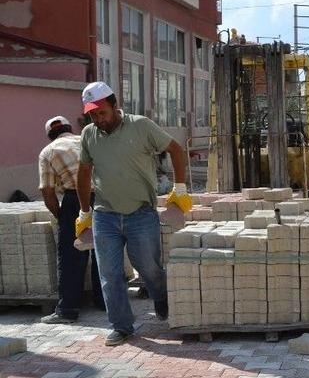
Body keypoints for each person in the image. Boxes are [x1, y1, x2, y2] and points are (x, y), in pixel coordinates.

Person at [75, 82, 193, 346]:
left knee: (149, 268)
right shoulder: (88, 135)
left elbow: (175, 149)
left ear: (114, 105)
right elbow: (83, 174)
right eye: (92, 115)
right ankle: (121, 326)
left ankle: (160, 296)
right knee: (110, 274)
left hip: (140, 213)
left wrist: (180, 187)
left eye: (101, 112)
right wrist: (84, 213)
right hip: (105, 215)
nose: (98, 119)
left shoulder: (141, 126)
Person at [38, 116, 104, 323]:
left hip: (75, 198)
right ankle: (105, 301)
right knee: (104, 249)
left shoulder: (48, 152)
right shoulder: (85, 140)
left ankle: (67, 310)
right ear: (70, 128)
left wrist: (61, 217)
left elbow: (47, 192)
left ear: (50, 136)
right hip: (103, 196)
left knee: (71, 254)